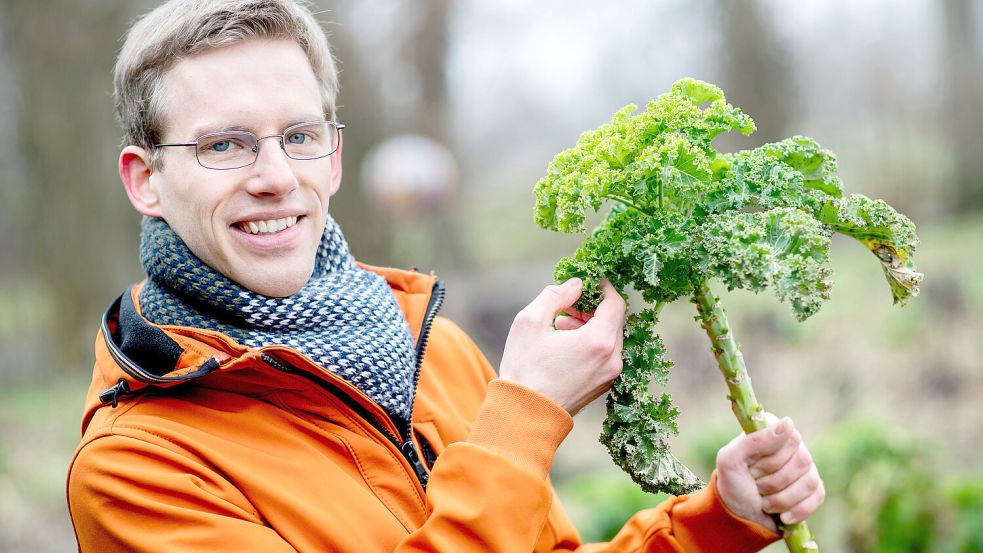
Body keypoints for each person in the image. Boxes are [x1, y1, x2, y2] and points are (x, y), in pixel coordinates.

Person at [67, 1, 825, 551]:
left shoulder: (434, 346)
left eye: (298, 135)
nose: (274, 176)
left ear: (333, 157)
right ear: (145, 180)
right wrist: (521, 419)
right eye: (224, 145)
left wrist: (718, 520)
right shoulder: (137, 467)